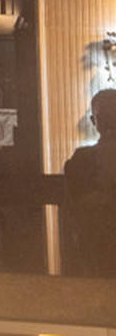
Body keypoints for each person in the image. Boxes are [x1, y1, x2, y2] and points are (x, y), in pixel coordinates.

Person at [61, 88, 116, 276]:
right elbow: (82, 205)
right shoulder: (81, 161)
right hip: (98, 252)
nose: (112, 122)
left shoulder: (80, 161)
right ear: (94, 121)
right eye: (105, 117)